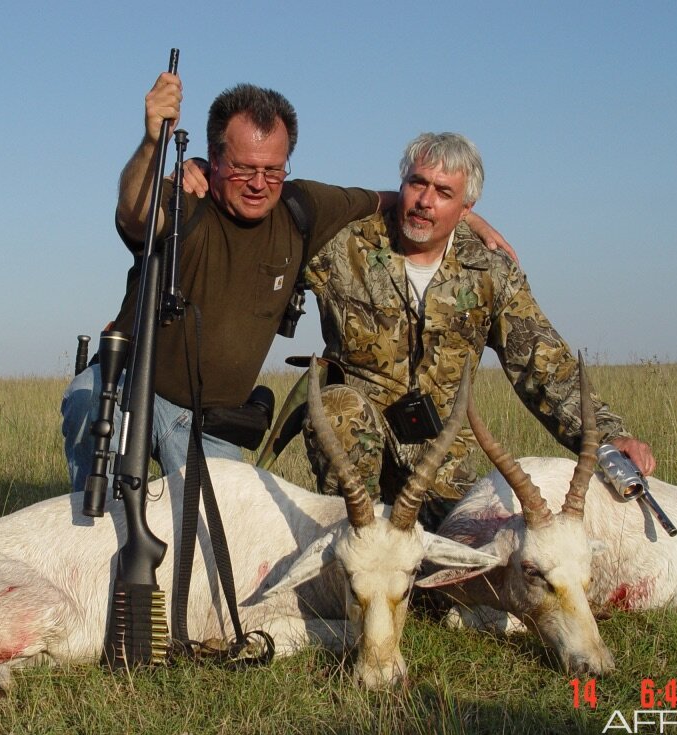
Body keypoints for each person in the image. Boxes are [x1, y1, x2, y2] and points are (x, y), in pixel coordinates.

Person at [61, 73, 516, 491]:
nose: (260, 183)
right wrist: (151, 142)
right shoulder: (186, 196)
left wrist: (465, 217)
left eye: (274, 169)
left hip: (208, 423)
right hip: (128, 390)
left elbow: (393, 199)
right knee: (91, 434)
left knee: (224, 550)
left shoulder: (302, 209)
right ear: (213, 158)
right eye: (243, 168)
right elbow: (136, 214)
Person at [303, 131, 654, 530]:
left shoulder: (491, 270)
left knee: (480, 556)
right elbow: (280, 221)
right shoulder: (344, 243)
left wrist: (610, 437)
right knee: (336, 410)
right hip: (358, 460)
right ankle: (352, 554)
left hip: (442, 463)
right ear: (401, 185)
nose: (425, 201)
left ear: (466, 206)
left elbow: (544, 367)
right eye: (417, 183)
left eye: (443, 192)